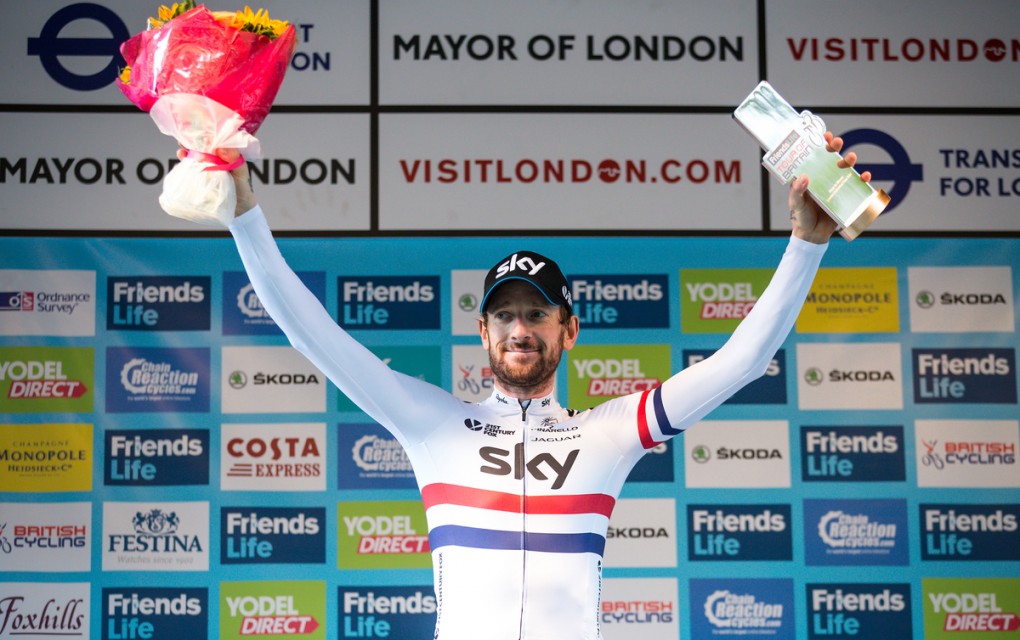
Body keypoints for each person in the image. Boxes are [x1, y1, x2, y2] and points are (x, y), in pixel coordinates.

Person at [202, 133, 869, 640]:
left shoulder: (608, 431)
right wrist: (244, 215)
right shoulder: (431, 422)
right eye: (504, 316)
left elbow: (742, 361)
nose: (520, 330)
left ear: (568, 330)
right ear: (483, 332)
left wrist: (806, 244)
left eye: (537, 314)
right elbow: (311, 334)